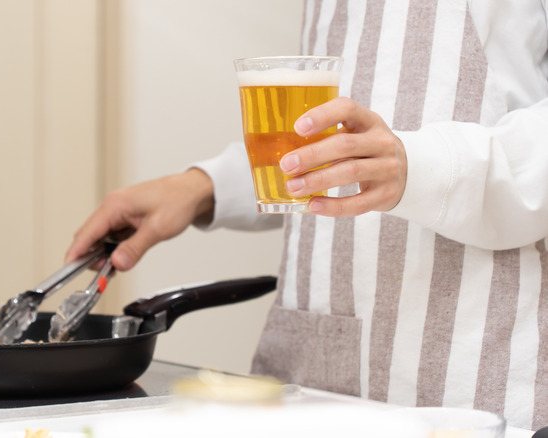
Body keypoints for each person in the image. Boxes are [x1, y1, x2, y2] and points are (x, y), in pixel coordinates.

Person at [65, 1, 548, 430]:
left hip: (475, 353)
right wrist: (204, 187)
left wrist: (416, 165)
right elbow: (324, 134)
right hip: (320, 358)